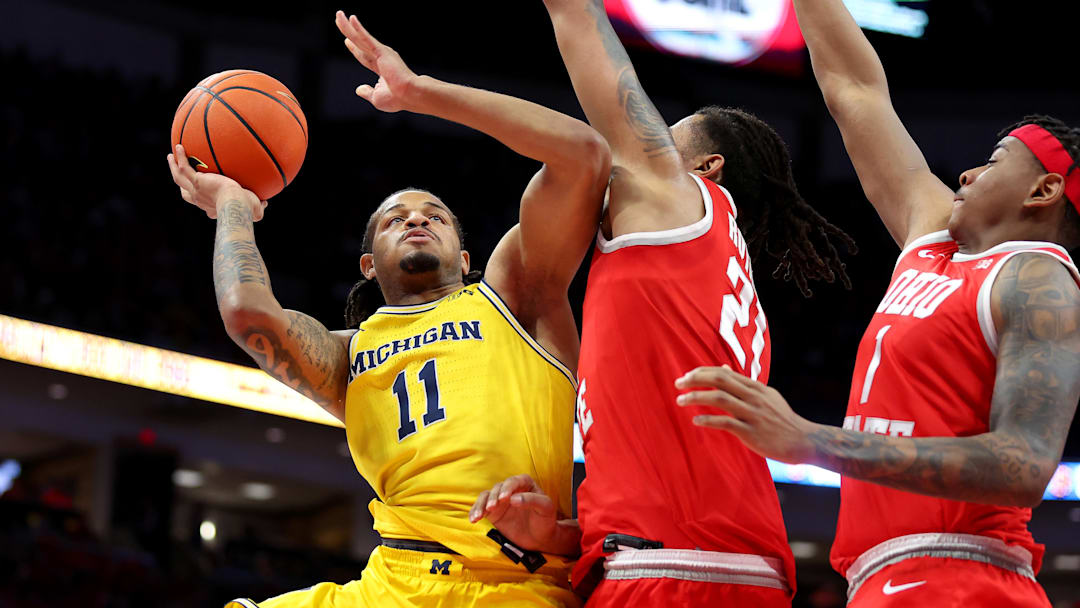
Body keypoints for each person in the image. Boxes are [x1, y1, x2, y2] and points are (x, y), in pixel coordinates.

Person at [168, 11, 611, 607]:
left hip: (509, 583)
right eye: (394, 218)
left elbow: (583, 156)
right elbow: (249, 316)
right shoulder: (349, 354)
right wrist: (233, 208)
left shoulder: (516, 296)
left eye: (436, 213)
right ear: (368, 266)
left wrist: (420, 93)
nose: (417, 217)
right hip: (388, 585)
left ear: (467, 253)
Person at [674, 1, 1080, 607]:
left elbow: (1022, 465)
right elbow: (854, 89)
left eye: (993, 162)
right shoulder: (935, 239)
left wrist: (811, 441)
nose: (966, 173)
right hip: (882, 577)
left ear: (1043, 190)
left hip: (966, 579)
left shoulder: (1038, 280)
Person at [469, 1, 856, 605]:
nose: (639, 154)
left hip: (667, 574)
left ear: (707, 168)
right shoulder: (716, 275)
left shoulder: (676, 198)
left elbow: (584, 34)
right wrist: (561, 535)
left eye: (663, 140)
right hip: (730, 566)